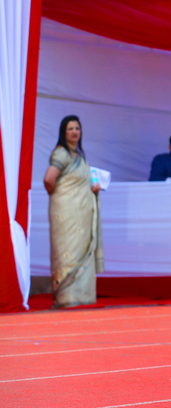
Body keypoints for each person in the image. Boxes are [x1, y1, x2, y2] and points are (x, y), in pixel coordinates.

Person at [43, 116, 104, 308]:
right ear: (64, 132)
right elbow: (48, 179)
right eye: (70, 128)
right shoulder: (61, 154)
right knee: (67, 253)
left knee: (81, 252)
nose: (74, 132)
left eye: (77, 128)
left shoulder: (78, 156)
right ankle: (66, 297)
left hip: (81, 215)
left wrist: (92, 190)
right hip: (66, 214)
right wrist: (64, 198)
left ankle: (82, 297)